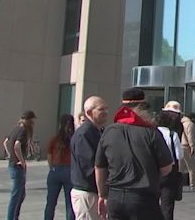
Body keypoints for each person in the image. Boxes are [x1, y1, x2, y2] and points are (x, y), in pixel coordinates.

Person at [95, 88, 174, 220]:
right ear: (142, 109)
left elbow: (99, 167)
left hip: (115, 197)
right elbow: (166, 168)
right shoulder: (151, 133)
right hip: (143, 198)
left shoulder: (109, 131)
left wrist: (102, 195)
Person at [70, 96, 108, 220]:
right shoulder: (84, 134)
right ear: (89, 113)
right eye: (101, 109)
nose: (106, 112)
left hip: (95, 191)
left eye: (106, 108)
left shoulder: (98, 131)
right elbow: (89, 167)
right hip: (87, 193)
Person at [3, 110, 37, 220]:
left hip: (12, 164)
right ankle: (11, 217)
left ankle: (15, 216)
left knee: (21, 194)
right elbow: (17, 145)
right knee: (16, 195)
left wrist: (9, 155)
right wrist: (21, 161)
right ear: (27, 120)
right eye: (32, 120)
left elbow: (5, 142)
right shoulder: (22, 130)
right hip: (17, 166)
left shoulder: (15, 128)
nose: (33, 122)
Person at [45, 114, 76, 220]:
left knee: (51, 202)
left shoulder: (55, 139)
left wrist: (52, 167)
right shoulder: (74, 138)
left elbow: (49, 155)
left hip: (56, 169)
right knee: (70, 203)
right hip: (69, 170)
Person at [157, 110, 184, 220]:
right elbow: (179, 155)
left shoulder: (151, 133)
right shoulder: (173, 135)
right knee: (167, 205)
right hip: (169, 172)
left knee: (150, 203)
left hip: (153, 172)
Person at [181, 112, 195, 191]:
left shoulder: (181, 123)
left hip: (180, 146)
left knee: (180, 168)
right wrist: (192, 146)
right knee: (192, 167)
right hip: (187, 147)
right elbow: (190, 136)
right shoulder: (190, 124)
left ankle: (178, 185)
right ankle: (193, 185)